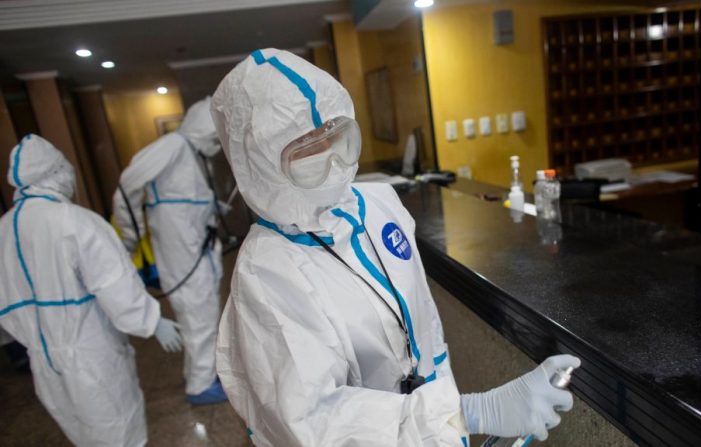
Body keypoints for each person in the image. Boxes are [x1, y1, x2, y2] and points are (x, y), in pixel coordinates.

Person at [210, 48, 581, 446]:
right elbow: (312, 420)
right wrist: (470, 413)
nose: (332, 160)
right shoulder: (265, 273)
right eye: (305, 150)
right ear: (260, 165)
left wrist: (447, 421)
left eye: (336, 135)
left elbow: (422, 327)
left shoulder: (379, 204)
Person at [0, 134, 182, 446]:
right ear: (55, 173)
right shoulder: (74, 222)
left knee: (82, 433)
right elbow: (114, 284)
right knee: (119, 431)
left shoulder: (3, 230)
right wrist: (151, 321)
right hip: (91, 353)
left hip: (43, 362)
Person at [113, 97, 227, 405]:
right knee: (198, 314)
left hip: (197, 251)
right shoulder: (174, 145)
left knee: (202, 314)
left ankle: (199, 373)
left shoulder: (195, 155)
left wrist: (213, 207)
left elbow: (189, 199)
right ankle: (200, 386)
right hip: (182, 255)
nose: (218, 142)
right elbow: (127, 184)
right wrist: (130, 234)